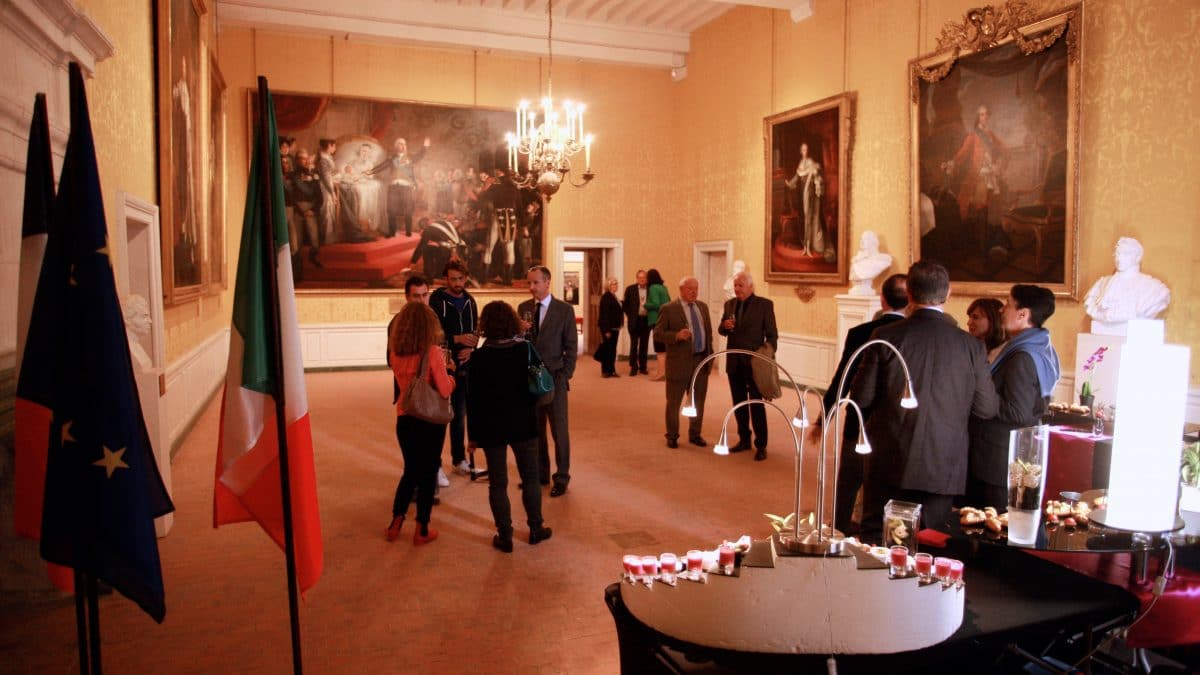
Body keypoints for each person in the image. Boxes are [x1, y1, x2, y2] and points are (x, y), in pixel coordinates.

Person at [850, 260, 998, 539]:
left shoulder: (885, 336)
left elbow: (861, 397)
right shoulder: (971, 346)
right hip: (942, 463)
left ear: (910, 294)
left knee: (876, 542)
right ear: (948, 293)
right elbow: (986, 408)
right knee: (929, 543)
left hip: (888, 457)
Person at [816, 273, 907, 535]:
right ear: (909, 300)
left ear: (882, 299)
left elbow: (842, 378)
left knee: (849, 482)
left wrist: (824, 417)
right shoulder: (914, 336)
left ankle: (839, 531)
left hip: (860, 419)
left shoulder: (860, 333)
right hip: (898, 423)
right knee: (888, 483)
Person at [467, 301, 554, 552]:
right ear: (511, 322)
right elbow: (541, 382)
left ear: (485, 325)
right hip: (524, 423)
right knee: (530, 478)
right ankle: (536, 529)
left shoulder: (479, 357)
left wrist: (473, 436)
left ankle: (505, 535)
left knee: (498, 483)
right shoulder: (524, 349)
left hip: (492, 427)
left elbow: (473, 402)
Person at [969, 285, 1059, 509]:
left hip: (998, 460)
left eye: (1008, 304)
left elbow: (1019, 412)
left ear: (1023, 314)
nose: (1001, 310)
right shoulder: (1038, 346)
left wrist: (982, 397)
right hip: (1007, 456)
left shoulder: (1022, 357)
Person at [385, 302, 455, 546]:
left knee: (410, 471)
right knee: (428, 474)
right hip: (429, 421)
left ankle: (396, 521)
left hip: (405, 418)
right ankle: (422, 529)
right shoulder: (433, 352)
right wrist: (452, 375)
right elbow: (444, 390)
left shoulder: (395, 352)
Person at [518, 266, 577, 497]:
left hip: (555, 378)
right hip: (530, 379)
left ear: (547, 282)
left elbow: (571, 347)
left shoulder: (564, 310)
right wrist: (520, 332)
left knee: (559, 431)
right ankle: (541, 474)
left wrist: (565, 374)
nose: (531, 287)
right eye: (529, 283)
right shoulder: (523, 309)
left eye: (535, 283)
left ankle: (561, 477)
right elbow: (519, 343)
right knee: (535, 430)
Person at [717, 271, 778, 461]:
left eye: (740, 285)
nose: (736, 289)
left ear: (750, 287)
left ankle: (761, 445)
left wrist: (766, 356)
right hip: (734, 362)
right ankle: (744, 439)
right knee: (739, 403)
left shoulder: (764, 305)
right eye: (735, 285)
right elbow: (721, 329)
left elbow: (772, 335)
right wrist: (724, 326)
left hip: (754, 363)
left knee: (756, 405)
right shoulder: (729, 305)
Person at [429, 260, 479, 478]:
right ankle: (435, 463)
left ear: (465, 277)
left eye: (460, 278)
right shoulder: (437, 299)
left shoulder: (470, 300)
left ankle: (459, 460)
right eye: (452, 279)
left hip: (465, 365)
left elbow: (476, 331)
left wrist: (471, 348)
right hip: (442, 362)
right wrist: (456, 338)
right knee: (439, 415)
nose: (457, 283)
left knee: (460, 414)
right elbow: (433, 332)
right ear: (446, 278)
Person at [653, 277, 714, 449]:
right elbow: (658, 334)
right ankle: (672, 435)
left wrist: (710, 358)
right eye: (690, 289)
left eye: (696, 288)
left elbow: (708, 334)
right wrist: (676, 336)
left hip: (701, 361)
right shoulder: (669, 309)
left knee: (698, 400)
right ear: (681, 290)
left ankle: (695, 434)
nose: (694, 292)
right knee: (674, 402)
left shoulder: (703, 307)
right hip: (679, 363)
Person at [1083, 237, 1171, 330]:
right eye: (1117, 253)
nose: (1119, 258)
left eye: (1125, 253)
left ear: (1138, 257)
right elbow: (1091, 306)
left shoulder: (1154, 288)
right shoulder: (1101, 284)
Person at [370, 137, 429, 237]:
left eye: (404, 144)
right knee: (391, 210)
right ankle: (392, 232)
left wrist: (425, 147)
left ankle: (408, 231)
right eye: (400, 144)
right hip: (393, 186)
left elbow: (420, 155)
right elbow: (382, 166)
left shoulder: (410, 157)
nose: (402, 146)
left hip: (406, 186)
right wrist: (370, 172)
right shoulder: (392, 158)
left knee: (408, 210)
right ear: (396, 146)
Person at [784, 142, 825, 256]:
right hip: (802, 192)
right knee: (804, 217)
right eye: (803, 150)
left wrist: (816, 184)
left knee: (810, 218)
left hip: (810, 192)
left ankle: (809, 247)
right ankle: (805, 247)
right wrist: (790, 183)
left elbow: (817, 176)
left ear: (808, 151)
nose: (804, 152)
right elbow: (797, 177)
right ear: (801, 151)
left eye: (806, 150)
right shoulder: (801, 163)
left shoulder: (811, 162)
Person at [622, 270, 651, 376]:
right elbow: (625, 305)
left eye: (644, 277)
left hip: (646, 321)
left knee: (644, 345)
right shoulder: (630, 289)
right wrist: (631, 315)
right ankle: (633, 367)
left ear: (646, 279)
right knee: (634, 345)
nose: (642, 279)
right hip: (634, 321)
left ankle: (643, 367)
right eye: (640, 277)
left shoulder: (650, 289)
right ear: (637, 278)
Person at [644, 269, 670, 381]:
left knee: (659, 349)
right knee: (664, 348)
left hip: (656, 320)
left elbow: (655, 304)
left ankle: (660, 374)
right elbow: (669, 301)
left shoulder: (652, 288)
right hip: (666, 319)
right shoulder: (664, 288)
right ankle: (665, 372)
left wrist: (645, 305)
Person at [847, 231, 892, 296]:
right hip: (856, 291)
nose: (861, 242)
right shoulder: (856, 260)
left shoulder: (884, 259)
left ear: (873, 242)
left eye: (865, 239)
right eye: (861, 239)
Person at [596, 277, 624, 378]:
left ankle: (612, 370)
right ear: (608, 286)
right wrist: (606, 330)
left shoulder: (614, 296)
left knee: (612, 350)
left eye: (616, 284)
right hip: (608, 328)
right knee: (607, 349)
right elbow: (605, 315)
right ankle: (605, 371)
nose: (615, 286)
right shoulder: (606, 297)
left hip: (615, 327)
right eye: (613, 284)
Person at [317, 139, 339, 244]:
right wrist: (332, 192)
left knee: (330, 212)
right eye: (334, 146)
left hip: (329, 183)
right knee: (327, 211)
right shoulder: (323, 159)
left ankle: (330, 237)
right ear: (329, 146)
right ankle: (326, 239)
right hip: (325, 187)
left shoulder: (328, 157)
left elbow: (330, 174)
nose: (335, 148)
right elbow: (326, 178)